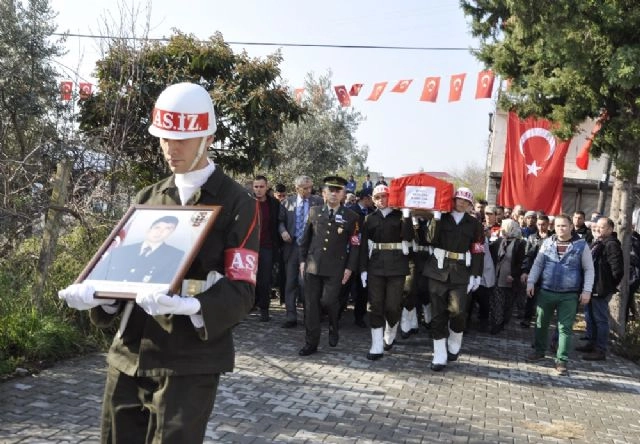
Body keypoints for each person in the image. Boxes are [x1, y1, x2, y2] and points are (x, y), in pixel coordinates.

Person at [58, 82, 259, 443]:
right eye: (165, 138)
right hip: (130, 352)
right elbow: (126, 269)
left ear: (208, 139)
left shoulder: (237, 203)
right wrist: (103, 297)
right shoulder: (149, 197)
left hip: (189, 360)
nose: (170, 148)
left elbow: (242, 289)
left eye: (182, 139)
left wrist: (193, 306)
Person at [422, 187, 484, 371]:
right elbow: (430, 239)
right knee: (437, 313)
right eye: (459, 199)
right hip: (437, 270)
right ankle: (439, 354)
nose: (461, 203)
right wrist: (436, 217)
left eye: (466, 201)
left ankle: (455, 340)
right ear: (453, 200)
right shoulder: (441, 217)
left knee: (458, 312)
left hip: (461, 271)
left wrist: (476, 274)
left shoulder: (474, 224)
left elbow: (478, 249)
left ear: (470, 205)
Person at [298, 176, 360, 356]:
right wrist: (302, 261)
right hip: (313, 265)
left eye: (337, 190)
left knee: (328, 301)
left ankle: (333, 325)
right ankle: (311, 343)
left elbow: (355, 244)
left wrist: (350, 268)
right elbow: (305, 239)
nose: (334, 193)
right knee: (311, 306)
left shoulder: (352, 217)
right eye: (330, 190)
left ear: (343, 194)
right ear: (324, 193)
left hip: (336, 267)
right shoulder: (315, 212)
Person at [526, 213, 594, 376]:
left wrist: (587, 290)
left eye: (564, 225)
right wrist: (531, 281)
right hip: (546, 291)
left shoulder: (581, 245)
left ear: (571, 227)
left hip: (569, 294)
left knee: (565, 328)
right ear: (553, 227)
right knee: (541, 323)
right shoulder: (547, 243)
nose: (561, 228)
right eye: (557, 226)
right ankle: (539, 351)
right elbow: (538, 264)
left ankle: (561, 360)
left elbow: (589, 269)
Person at [360, 184, 414, 360]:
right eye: (377, 197)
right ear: (373, 200)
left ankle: (390, 330)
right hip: (375, 265)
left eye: (384, 196)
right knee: (375, 305)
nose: (381, 200)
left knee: (392, 306)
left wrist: (407, 215)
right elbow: (363, 246)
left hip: (396, 266)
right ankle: (376, 345)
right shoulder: (369, 219)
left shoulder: (400, 216)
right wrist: (363, 269)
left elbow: (409, 237)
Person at [278, 175, 323, 328]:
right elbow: (280, 221)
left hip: (310, 249)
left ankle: (309, 316)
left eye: (310, 187)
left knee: (306, 284)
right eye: (305, 188)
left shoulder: (318, 202)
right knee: (290, 283)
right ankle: (291, 317)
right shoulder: (287, 202)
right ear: (297, 188)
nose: (308, 190)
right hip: (292, 247)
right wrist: (283, 231)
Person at [576, 217, 623, 360]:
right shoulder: (599, 242)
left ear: (610, 229)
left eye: (602, 227)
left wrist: (608, 285)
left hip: (601, 288)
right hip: (591, 286)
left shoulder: (611, 244)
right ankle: (591, 343)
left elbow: (617, 270)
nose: (598, 229)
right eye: (597, 226)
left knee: (600, 319)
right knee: (589, 316)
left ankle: (600, 349)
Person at [89, 215, 185, 283]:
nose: (160, 232)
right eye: (157, 227)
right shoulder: (122, 251)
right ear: (149, 229)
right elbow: (98, 278)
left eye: (167, 229)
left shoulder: (177, 256)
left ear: (171, 233)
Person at [488, 219, 526, 334]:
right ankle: (496, 324)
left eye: (505, 227)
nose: (503, 229)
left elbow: (521, 262)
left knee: (508, 304)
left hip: (511, 279)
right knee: (497, 302)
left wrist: (514, 275)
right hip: (498, 277)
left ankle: (503, 322)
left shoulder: (520, 243)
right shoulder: (499, 241)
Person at [253, 175, 282, 322]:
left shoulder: (274, 204)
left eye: (261, 186)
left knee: (264, 279)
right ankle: (249, 305)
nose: (258, 189)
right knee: (248, 278)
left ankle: (264, 309)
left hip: (267, 247)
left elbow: (278, 223)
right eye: (256, 187)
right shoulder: (247, 202)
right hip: (249, 247)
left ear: (267, 187)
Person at [520, 214, 551, 327]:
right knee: (530, 295)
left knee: (544, 297)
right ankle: (527, 319)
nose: (541, 227)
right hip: (534, 270)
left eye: (543, 224)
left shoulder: (553, 238)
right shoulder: (532, 237)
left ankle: (542, 320)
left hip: (548, 272)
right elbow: (527, 255)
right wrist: (525, 271)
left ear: (548, 224)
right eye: (539, 224)